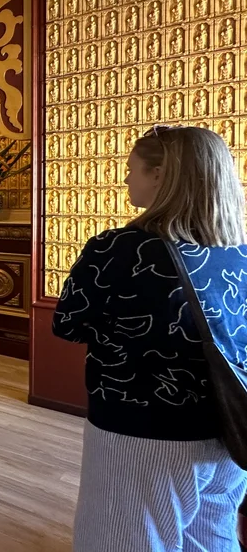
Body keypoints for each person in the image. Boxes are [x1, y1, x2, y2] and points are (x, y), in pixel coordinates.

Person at [53, 125, 247, 551]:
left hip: (143, 429)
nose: (126, 179)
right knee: (212, 539)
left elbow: (67, 323)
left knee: (124, 539)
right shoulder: (239, 252)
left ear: (160, 175)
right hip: (231, 424)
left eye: (132, 169)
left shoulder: (118, 248)